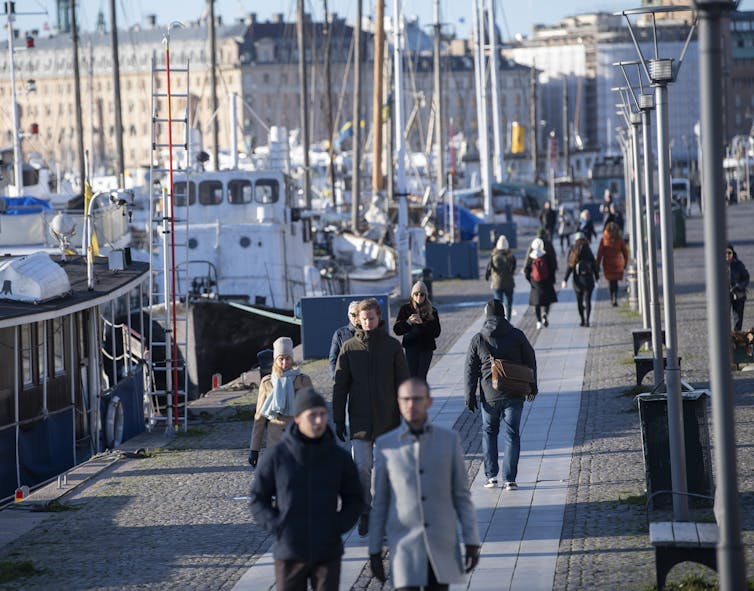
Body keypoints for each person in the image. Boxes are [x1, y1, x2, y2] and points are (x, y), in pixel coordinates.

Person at [368, 378, 481, 591]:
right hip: (404, 548)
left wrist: (472, 540)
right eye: (406, 399)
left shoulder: (448, 440)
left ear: (429, 401)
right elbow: (381, 501)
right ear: (399, 403)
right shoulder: (386, 444)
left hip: (441, 544)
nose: (411, 404)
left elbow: (461, 495)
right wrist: (374, 550)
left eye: (417, 399)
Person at [249, 388, 364, 591]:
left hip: (327, 551)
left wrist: (337, 525)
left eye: (322, 414)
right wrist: (279, 525)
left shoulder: (339, 458)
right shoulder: (277, 457)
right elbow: (259, 499)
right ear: (298, 419)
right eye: (312, 415)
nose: (319, 421)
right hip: (289, 552)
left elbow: (354, 498)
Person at [333, 297, 410, 536]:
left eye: (371, 318)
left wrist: (409, 415)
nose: (367, 322)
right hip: (360, 420)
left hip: (389, 420)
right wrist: (337, 418)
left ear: (379, 317)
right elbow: (340, 386)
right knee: (362, 468)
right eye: (363, 319)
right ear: (358, 319)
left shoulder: (392, 346)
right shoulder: (349, 348)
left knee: (386, 470)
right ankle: (365, 510)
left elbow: (404, 383)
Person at [464, 300, 537, 491]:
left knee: (489, 432)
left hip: (489, 395)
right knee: (512, 434)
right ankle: (510, 479)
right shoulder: (517, 335)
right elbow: (530, 359)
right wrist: (532, 386)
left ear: (486, 316)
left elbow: (470, 370)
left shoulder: (479, 339)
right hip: (514, 393)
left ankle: (490, 477)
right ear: (504, 315)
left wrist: (470, 394)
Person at [249, 337, 313, 467]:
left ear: (292, 359)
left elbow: (313, 413)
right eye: (281, 359)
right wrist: (254, 449)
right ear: (275, 360)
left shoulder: (303, 381)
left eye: (288, 358)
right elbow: (260, 418)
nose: (284, 363)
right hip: (275, 441)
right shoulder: (267, 383)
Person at [393, 281, 441, 379]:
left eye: (422, 294)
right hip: (411, 347)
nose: (419, 297)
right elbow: (397, 330)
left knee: (421, 377)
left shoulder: (432, 310)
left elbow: (436, 332)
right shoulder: (405, 309)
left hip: (426, 348)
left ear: (426, 296)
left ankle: (422, 394)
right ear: (412, 295)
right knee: (411, 376)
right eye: (416, 294)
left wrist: (422, 324)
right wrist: (408, 322)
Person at [562, 232, 599, 327]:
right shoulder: (588, 249)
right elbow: (594, 264)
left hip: (577, 281)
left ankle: (582, 319)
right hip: (588, 279)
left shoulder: (573, 250)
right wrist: (597, 276)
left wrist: (565, 280)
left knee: (579, 301)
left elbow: (570, 266)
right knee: (588, 301)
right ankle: (587, 320)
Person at [524, 237, 558, 329]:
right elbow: (552, 267)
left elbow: (526, 270)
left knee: (536, 303)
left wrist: (530, 280)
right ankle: (545, 313)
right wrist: (551, 279)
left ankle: (538, 321)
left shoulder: (531, 256)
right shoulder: (545, 255)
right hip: (546, 281)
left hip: (535, 282)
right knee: (547, 300)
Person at [596, 221, 629, 307]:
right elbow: (625, 252)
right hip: (618, 263)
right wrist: (625, 262)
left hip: (607, 263)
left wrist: (597, 264)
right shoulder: (619, 239)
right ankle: (614, 297)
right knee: (615, 282)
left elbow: (600, 253)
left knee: (610, 282)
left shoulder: (604, 239)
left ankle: (612, 298)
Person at [485, 235, 517, 321]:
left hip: (496, 283)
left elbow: (489, 269)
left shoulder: (494, 256)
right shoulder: (511, 257)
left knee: (498, 304)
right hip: (509, 283)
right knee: (508, 304)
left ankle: (498, 321)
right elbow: (513, 269)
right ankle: (508, 320)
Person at [328, 301, 360, 380]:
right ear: (348, 316)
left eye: (358, 314)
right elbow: (333, 359)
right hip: (347, 380)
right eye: (353, 315)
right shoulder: (340, 334)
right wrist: (335, 377)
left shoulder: (369, 332)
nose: (356, 318)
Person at [727, 243, 750, 331]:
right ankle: (725, 337)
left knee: (738, 318)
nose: (727, 255)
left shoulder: (739, 264)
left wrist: (739, 286)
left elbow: (746, 277)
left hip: (738, 294)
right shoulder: (718, 265)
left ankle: (736, 337)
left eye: (729, 253)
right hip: (725, 295)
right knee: (724, 317)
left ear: (733, 253)